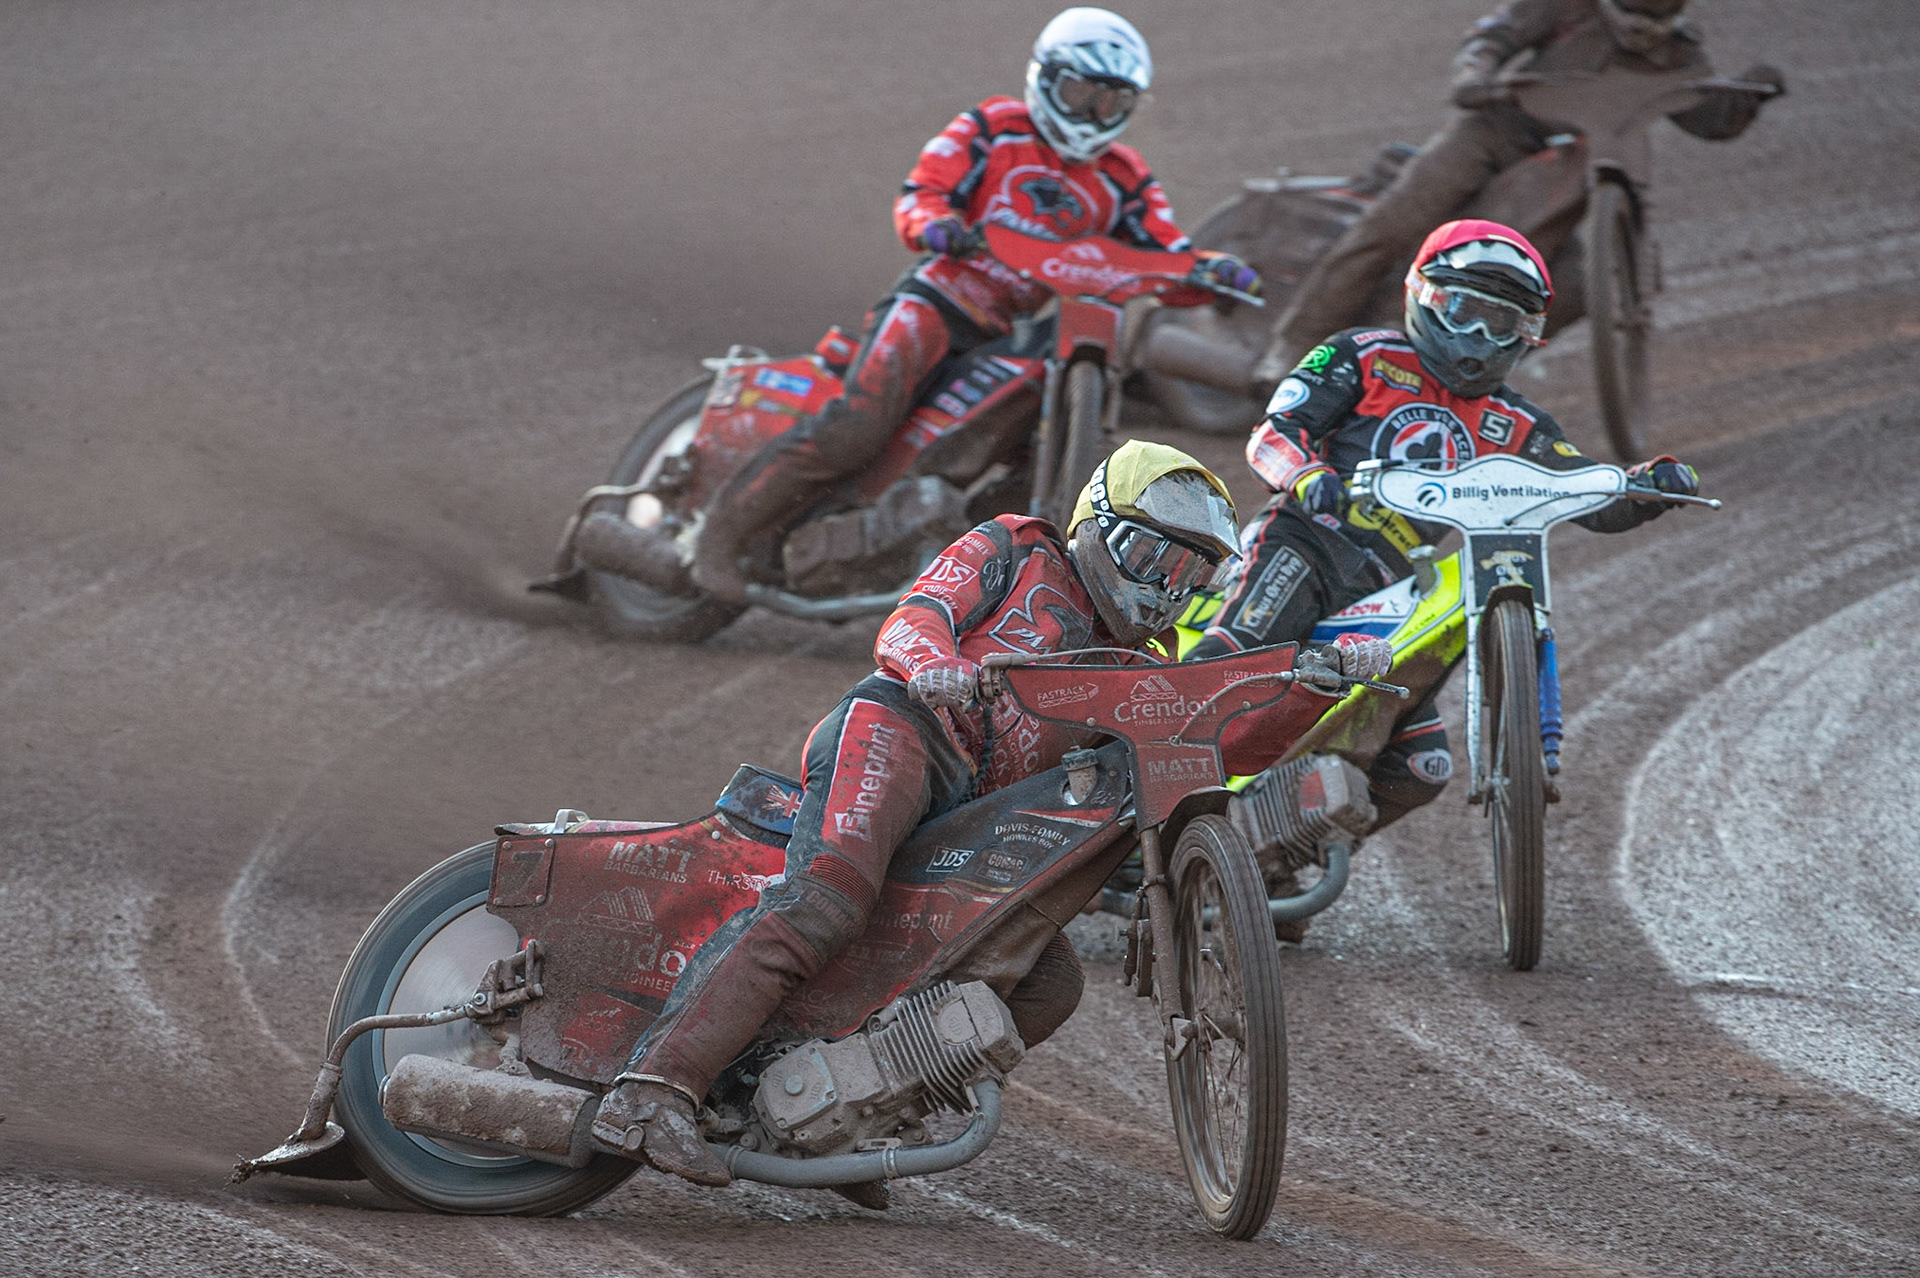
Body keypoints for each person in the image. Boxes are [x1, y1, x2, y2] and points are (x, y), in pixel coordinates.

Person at [590, 441, 1389, 1191]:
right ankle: (652, 1088)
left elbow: (1232, 746)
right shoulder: (1014, 547)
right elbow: (917, 612)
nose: (1168, 587)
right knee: (828, 896)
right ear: (1097, 526)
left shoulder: (1146, 666)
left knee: (1046, 986)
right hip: (909, 730)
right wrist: (935, 665)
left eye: (1192, 575)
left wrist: (1321, 684)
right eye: (1155, 558)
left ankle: (847, 1123)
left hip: (982, 818)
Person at [657, 8, 1259, 603]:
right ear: (1046, 79)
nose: (1092, 114)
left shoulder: (1125, 178)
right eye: (1081, 93)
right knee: (857, 426)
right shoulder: (994, 128)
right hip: (937, 300)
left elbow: (1166, 255)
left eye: (1110, 102)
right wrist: (936, 224)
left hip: (1010, 329)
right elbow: (922, 193)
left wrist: (1210, 274)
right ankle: (717, 533)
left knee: (1014, 433)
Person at [1195, 219, 1699, 842]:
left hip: (1398, 591)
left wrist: (1645, 486)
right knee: (1226, 667)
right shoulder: (1362, 355)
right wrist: (1306, 475)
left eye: (1503, 324)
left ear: (1528, 335)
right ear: (1426, 296)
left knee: (1420, 767)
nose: (1481, 338)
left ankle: (1280, 862)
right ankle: (1129, 806)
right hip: (1306, 544)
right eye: (1465, 311)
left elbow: (1583, 489)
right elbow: (1275, 431)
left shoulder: (1518, 421)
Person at [1254, 0, 1784, 384]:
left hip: (1574, 172)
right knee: (1397, 223)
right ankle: (1292, 348)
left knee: (1577, 286)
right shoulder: (1563, 8)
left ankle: (1463, 376)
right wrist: (1474, 73)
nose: (1643, 25)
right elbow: (1494, 36)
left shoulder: (1678, 55)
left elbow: (1711, 118)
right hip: (1498, 133)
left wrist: (1751, 95)